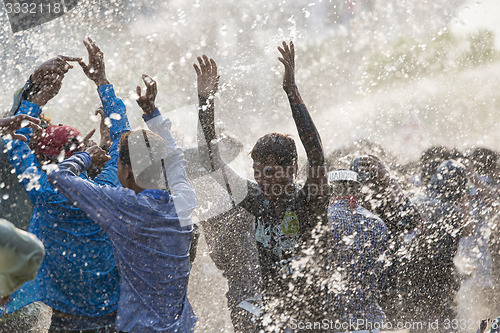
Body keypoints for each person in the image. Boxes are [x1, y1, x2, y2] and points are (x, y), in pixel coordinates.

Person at [47, 74, 198, 333]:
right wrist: (152, 113)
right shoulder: (184, 200)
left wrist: (86, 156)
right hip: (180, 327)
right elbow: (174, 159)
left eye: (117, 163)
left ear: (126, 171)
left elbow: (58, 176)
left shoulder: (123, 207)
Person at [195, 41, 329, 330]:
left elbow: (316, 154)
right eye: (256, 171)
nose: (260, 178)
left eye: (268, 170)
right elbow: (211, 162)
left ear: (292, 168)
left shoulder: (310, 201)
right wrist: (206, 101)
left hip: (312, 317)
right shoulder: (257, 200)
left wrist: (291, 90)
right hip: (271, 313)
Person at [1, 38, 127, 332]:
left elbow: (16, 141)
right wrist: (102, 82)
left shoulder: (41, 193)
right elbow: (124, 141)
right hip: (114, 321)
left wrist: (36, 94)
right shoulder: (110, 191)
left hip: (59, 321)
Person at [350, 154, 422, 321]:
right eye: (363, 187)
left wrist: (390, 180)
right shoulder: (346, 212)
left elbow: (413, 221)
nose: (368, 193)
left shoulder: (387, 212)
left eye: (375, 186)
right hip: (356, 302)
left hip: (386, 300)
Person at [402, 160, 469, 331]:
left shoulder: (415, 202)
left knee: (417, 324)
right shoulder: (452, 212)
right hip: (440, 282)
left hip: (412, 281)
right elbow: (468, 231)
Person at [327, 170, 388, 332]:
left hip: (334, 324)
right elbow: (383, 279)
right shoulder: (378, 223)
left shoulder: (323, 220)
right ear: (358, 190)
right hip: (369, 323)